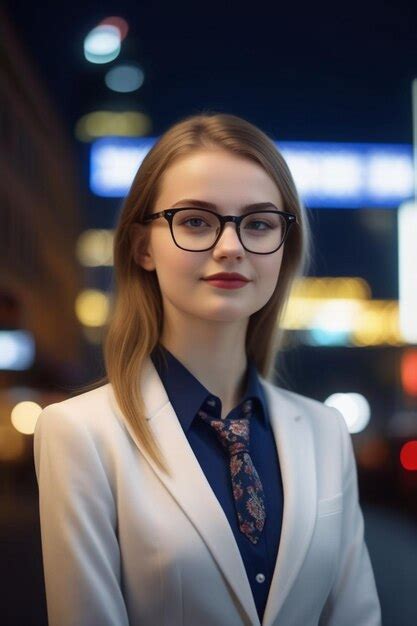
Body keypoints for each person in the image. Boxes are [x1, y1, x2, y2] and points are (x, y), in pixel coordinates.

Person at [33, 112, 382, 626]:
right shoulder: (80, 433)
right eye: (196, 220)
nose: (230, 247)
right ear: (142, 247)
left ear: (284, 249)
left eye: (259, 223)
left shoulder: (326, 432)